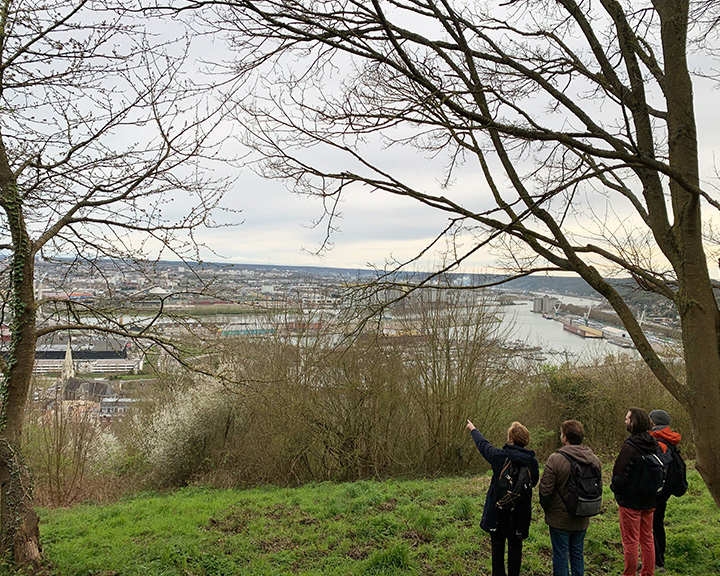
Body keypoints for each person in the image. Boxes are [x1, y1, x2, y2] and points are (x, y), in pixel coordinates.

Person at [467, 419, 539, 576]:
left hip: (498, 511)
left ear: (510, 438)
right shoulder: (532, 462)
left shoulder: (499, 457)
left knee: (497, 549)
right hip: (520, 513)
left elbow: (483, 445)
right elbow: (533, 483)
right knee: (516, 548)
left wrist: (473, 429)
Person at [539, 420, 602, 576]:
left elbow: (545, 491)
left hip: (559, 518)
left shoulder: (555, 459)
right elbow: (599, 488)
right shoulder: (594, 459)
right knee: (577, 553)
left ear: (565, 437)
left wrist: (549, 509)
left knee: (560, 555)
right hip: (583, 514)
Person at [611, 408, 660, 576]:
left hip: (630, 502)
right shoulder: (654, 444)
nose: (625, 421)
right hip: (650, 499)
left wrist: (616, 491)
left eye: (627, 418)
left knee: (630, 542)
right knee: (647, 539)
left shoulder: (629, 447)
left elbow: (619, 475)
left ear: (634, 422)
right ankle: (648, 573)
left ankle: (629, 573)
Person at [649, 409, 683, 574]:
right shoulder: (669, 438)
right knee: (657, 524)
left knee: (652, 525)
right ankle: (654, 559)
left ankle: (657, 562)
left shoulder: (658, 441)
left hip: (657, 490)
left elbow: (657, 468)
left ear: (654, 423)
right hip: (666, 489)